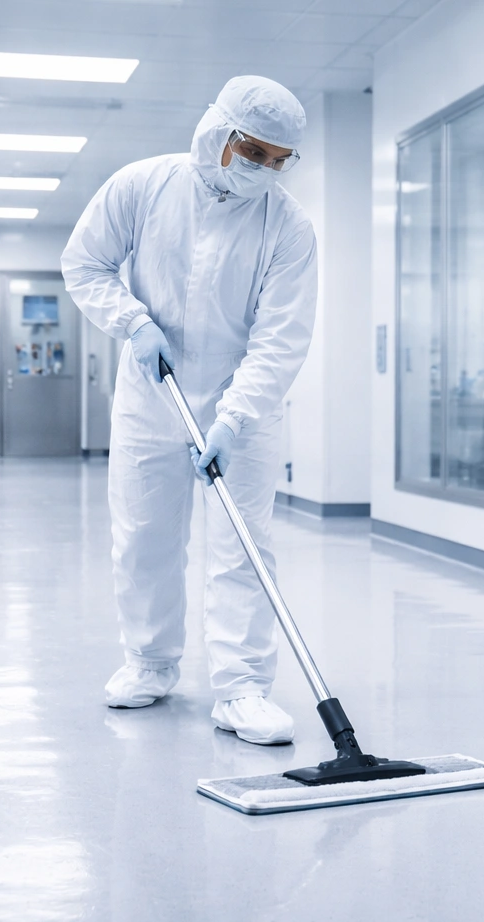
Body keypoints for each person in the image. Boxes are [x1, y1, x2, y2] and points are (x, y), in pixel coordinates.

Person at [62, 76, 317, 745]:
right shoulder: (142, 186)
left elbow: (281, 336)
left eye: (278, 159)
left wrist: (234, 417)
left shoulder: (288, 227)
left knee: (242, 547)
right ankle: (149, 663)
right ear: (219, 132)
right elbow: (85, 264)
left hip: (244, 407)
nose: (264, 169)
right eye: (254, 151)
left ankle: (241, 690)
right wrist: (132, 322)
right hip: (153, 395)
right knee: (144, 536)